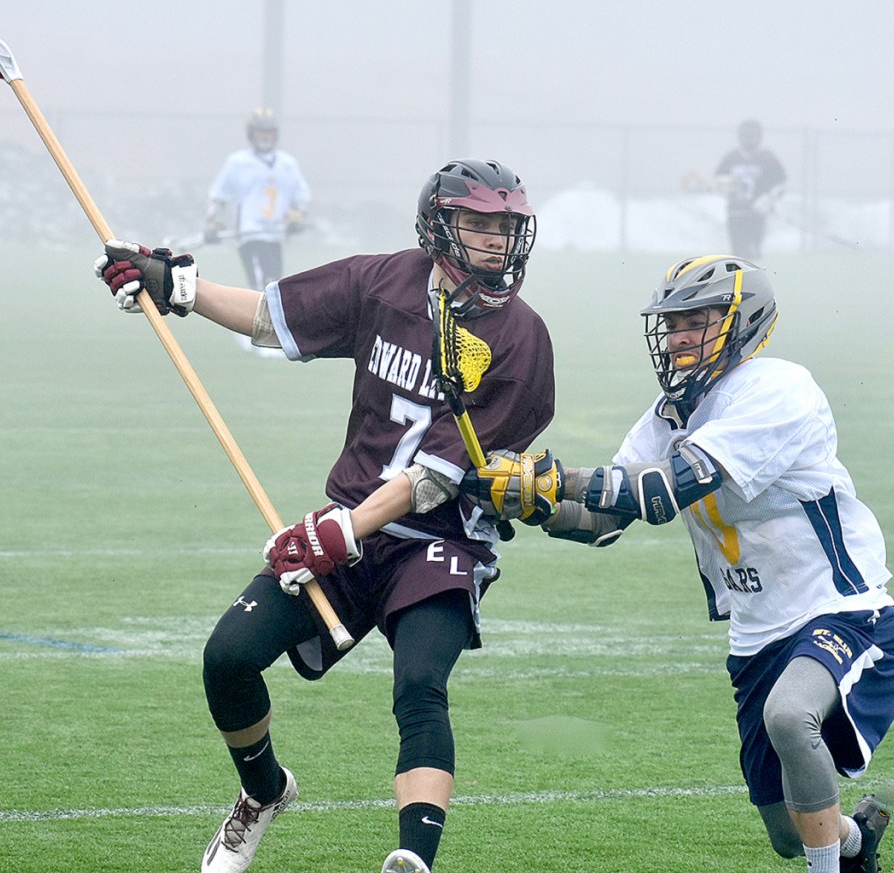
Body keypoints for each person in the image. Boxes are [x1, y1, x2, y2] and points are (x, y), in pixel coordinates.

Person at [94, 158, 558, 873]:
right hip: (347, 529)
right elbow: (267, 317)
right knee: (229, 657)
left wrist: (335, 530)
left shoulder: (523, 338)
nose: (497, 242)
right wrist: (176, 287)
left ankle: (413, 857)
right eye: (479, 224)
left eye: (505, 227)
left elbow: (437, 477)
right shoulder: (383, 281)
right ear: (439, 226)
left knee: (420, 683)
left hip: (440, 540)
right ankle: (263, 791)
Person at [462, 255, 894, 873]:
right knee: (788, 832)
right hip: (757, 636)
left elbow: (660, 491)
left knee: (791, 715)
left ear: (743, 322)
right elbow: (603, 523)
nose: (675, 337)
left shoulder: (778, 388)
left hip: (843, 610)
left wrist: (557, 477)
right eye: (671, 324)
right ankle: (856, 842)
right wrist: (528, 502)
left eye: (694, 321)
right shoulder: (666, 415)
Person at [205, 107, 312, 293]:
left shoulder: (287, 164)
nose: (265, 137)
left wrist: (298, 215)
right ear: (251, 134)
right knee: (263, 287)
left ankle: (266, 321)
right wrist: (212, 222)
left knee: (274, 285)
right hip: (250, 234)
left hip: (276, 234)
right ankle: (259, 321)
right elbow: (218, 196)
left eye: (269, 132)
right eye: (260, 132)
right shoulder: (237, 163)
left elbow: (300, 196)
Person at [714, 119, 787, 258]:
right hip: (735, 213)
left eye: (753, 136)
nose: (749, 139)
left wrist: (767, 200)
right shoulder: (731, 158)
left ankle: (754, 279)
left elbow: (781, 183)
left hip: (756, 214)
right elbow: (719, 179)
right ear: (739, 137)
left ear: (760, 138)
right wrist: (732, 195)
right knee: (738, 253)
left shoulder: (768, 158)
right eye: (745, 136)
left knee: (754, 253)